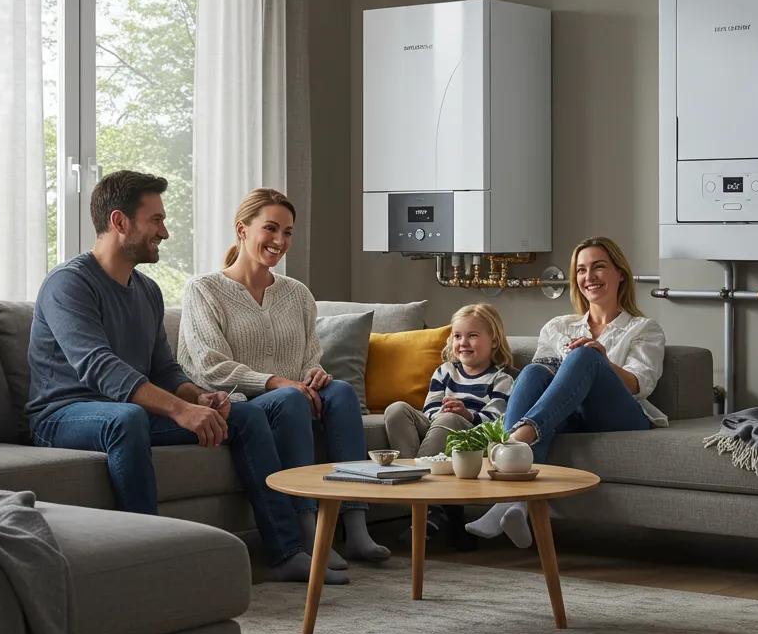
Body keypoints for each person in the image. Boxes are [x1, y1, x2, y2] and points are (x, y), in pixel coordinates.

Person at [27, 171, 338, 585]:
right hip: (63, 415)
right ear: (119, 222)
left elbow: (164, 369)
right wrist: (180, 411)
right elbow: (99, 366)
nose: (165, 232)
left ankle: (286, 551)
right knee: (126, 419)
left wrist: (199, 397)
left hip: (127, 410)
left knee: (245, 416)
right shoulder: (69, 284)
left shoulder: (147, 290)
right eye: (155, 220)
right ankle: (150, 559)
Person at [178, 187, 390, 573]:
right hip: (238, 401)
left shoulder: (297, 294)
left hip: (291, 393)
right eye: (271, 228)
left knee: (341, 392)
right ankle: (308, 534)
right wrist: (277, 382)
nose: (280, 240)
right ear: (242, 229)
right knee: (291, 399)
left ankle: (357, 528)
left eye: (288, 232)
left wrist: (312, 374)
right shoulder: (204, 289)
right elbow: (210, 367)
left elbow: (309, 356)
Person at [466, 236, 666, 548]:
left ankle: (515, 440)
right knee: (533, 371)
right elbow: (542, 379)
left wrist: (601, 360)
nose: (589, 276)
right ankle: (516, 504)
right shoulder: (558, 327)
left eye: (599, 267)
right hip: (568, 413)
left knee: (586, 355)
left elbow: (640, 384)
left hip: (619, 415)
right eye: (581, 270)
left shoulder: (643, 328)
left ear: (620, 274)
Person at [384, 303, 514, 458]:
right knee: (396, 409)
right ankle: (407, 465)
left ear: (494, 341)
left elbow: (496, 420)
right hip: (436, 423)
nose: (463, 342)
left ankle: (423, 466)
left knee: (450, 419)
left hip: (469, 435)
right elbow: (429, 409)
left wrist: (467, 415)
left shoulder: (501, 379)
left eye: (472, 335)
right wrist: (442, 412)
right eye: (457, 336)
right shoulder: (444, 371)